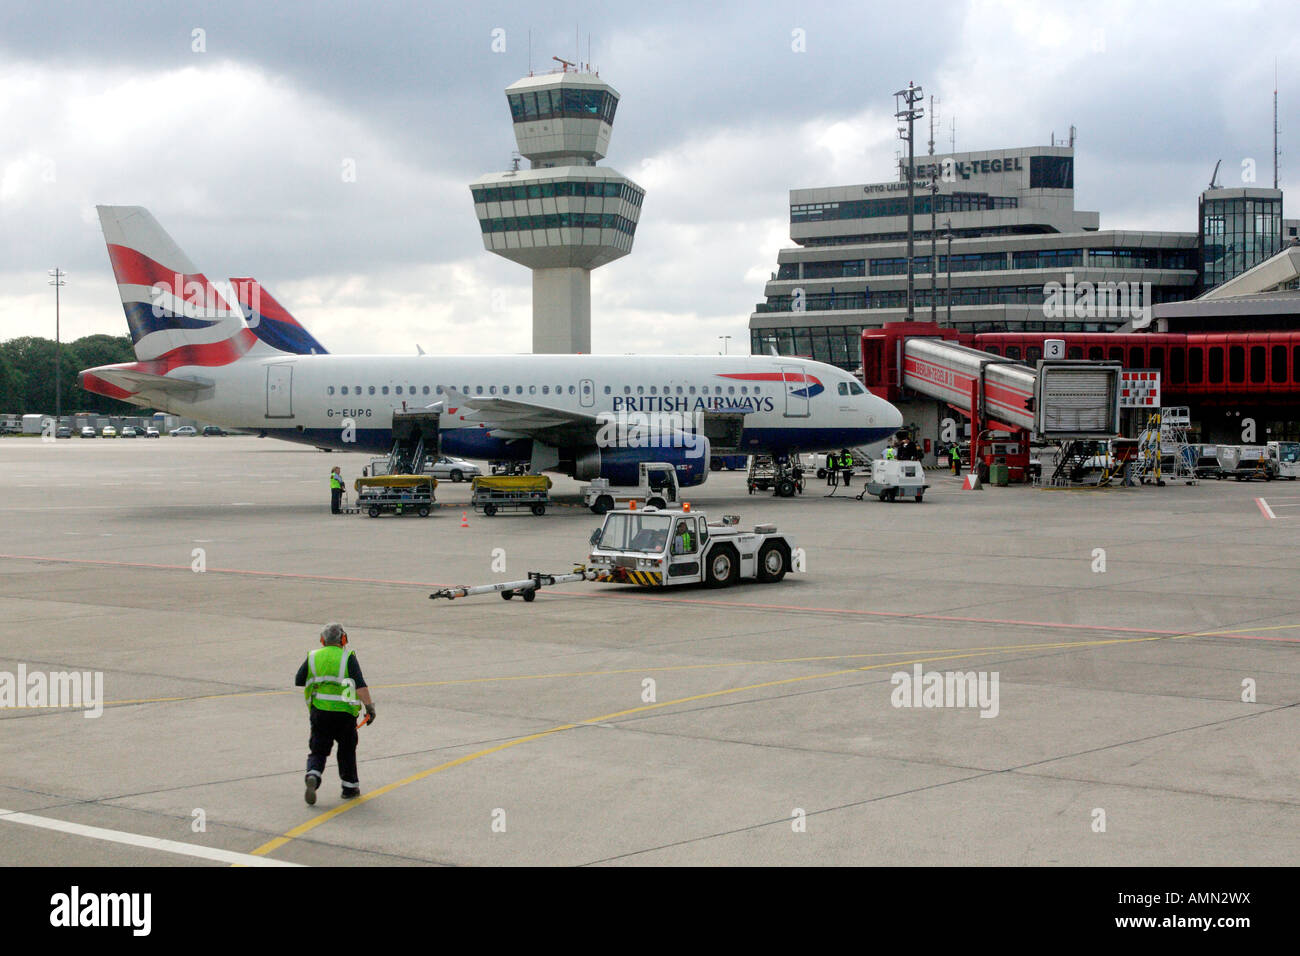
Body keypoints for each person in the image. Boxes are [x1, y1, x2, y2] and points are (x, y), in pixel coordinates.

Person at [295, 623, 375, 804]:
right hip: (345, 713)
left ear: (322, 640)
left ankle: (313, 775)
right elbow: (360, 685)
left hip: (320, 712)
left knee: (318, 749)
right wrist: (370, 707)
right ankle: (349, 787)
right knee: (347, 750)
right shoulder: (348, 657)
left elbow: (299, 679)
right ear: (343, 639)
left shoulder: (314, 656)